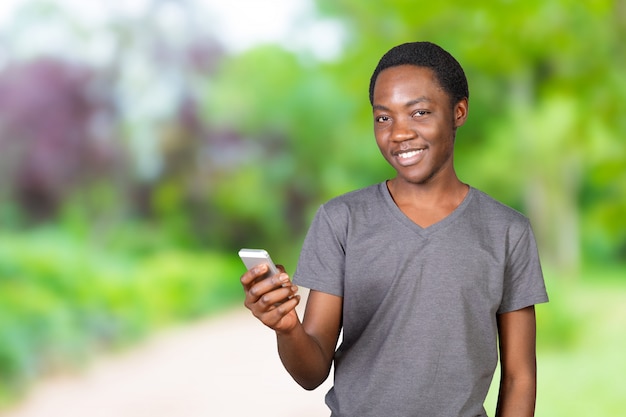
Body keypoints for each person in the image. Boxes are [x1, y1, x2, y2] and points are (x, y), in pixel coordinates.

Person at [240, 41, 549, 417]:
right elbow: (311, 372)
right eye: (383, 118)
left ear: (459, 111)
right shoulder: (341, 220)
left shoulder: (507, 231)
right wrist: (287, 327)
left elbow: (519, 377)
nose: (399, 133)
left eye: (418, 113)